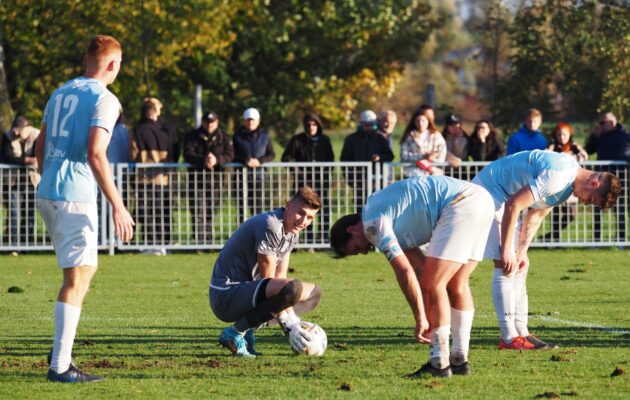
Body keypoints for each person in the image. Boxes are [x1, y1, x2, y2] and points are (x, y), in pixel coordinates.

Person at [35, 35, 135, 383]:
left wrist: (47, 176)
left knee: (84, 270)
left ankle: (60, 348)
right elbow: (95, 153)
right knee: (76, 278)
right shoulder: (105, 99)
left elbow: (40, 144)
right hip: (74, 195)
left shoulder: (59, 92)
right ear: (113, 64)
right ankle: (60, 365)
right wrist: (118, 206)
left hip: (48, 191)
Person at [330, 176, 495, 378]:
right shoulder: (389, 215)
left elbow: (404, 272)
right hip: (482, 200)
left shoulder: (372, 225)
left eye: (356, 248)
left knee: (435, 284)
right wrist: (426, 313)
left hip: (460, 203)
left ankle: (439, 364)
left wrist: (420, 319)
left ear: (353, 229)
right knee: (456, 284)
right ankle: (459, 361)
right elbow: (418, 269)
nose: (364, 252)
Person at [472, 150, 621, 350]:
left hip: (504, 199)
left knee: (521, 264)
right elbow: (513, 205)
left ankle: (522, 332)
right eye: (591, 199)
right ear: (594, 184)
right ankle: (508, 338)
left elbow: (536, 215)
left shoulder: (568, 186)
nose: (585, 203)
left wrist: (522, 251)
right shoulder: (558, 177)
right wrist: (506, 249)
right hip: (487, 193)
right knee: (505, 264)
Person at [210, 187, 323, 357]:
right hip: (226, 296)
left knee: (314, 293)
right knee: (293, 289)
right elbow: (269, 279)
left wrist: (292, 320)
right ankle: (234, 333)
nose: (304, 221)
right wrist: (290, 325)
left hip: (248, 292)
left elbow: (280, 277)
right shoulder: (271, 225)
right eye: (301, 212)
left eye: (310, 217)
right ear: (289, 206)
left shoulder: (292, 231)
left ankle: (248, 329)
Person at [133, 97, 179, 251]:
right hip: (163, 178)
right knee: (164, 211)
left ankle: (149, 243)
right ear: (156, 110)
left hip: (143, 178)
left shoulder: (138, 129)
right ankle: (165, 244)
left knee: (147, 212)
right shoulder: (167, 129)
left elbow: (133, 153)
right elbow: (175, 150)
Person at [281, 113, 334, 243]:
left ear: (318, 125)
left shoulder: (324, 140)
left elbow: (331, 160)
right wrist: (299, 172)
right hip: (303, 184)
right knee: (304, 211)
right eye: (309, 125)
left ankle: (322, 239)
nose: (311, 127)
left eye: (314, 124)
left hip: (321, 183)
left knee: (323, 209)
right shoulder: (297, 140)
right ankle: (307, 240)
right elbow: (286, 158)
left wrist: (325, 174)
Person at [183, 110, 234, 244]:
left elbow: (230, 154)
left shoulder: (224, 137)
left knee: (211, 212)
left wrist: (217, 160)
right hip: (197, 181)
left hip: (216, 181)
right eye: (207, 122)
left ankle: (209, 241)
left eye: (212, 122)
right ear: (202, 122)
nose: (209, 125)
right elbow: (188, 154)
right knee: (198, 211)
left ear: (217, 122)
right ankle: (200, 242)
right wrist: (203, 160)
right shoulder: (193, 136)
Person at [584, 111, 630, 241]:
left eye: (602, 122)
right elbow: (588, 150)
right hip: (600, 178)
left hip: (619, 177)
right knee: (597, 209)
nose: (600, 125)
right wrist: (594, 136)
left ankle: (621, 239)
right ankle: (596, 240)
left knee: (619, 209)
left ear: (612, 122)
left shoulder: (625, 136)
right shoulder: (600, 136)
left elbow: (625, 155)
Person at [340, 110, 394, 212]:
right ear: (361, 124)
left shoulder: (380, 138)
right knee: (361, 210)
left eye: (371, 124)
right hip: (359, 181)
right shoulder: (351, 139)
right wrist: (350, 179)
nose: (368, 127)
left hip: (378, 181)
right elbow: (345, 160)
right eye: (366, 125)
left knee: (378, 209)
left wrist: (379, 157)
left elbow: (389, 155)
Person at [545, 123, 588, 241]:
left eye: (564, 134)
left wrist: (569, 156)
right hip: (555, 185)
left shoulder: (574, 146)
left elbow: (584, 157)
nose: (561, 137)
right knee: (555, 215)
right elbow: (545, 157)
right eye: (559, 134)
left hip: (570, 185)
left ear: (569, 135)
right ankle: (554, 240)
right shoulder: (552, 146)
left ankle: (550, 236)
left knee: (571, 214)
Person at [1, 116, 40, 245]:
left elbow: (38, 156)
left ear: (28, 127)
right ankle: (13, 244)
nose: (16, 132)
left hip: (31, 181)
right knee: (13, 212)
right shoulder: (7, 136)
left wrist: (29, 159)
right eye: (15, 128)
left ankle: (27, 243)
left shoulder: (37, 135)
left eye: (20, 129)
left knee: (29, 213)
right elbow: (7, 157)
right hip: (12, 182)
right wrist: (26, 160)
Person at [233, 107, 275, 222]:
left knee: (257, 208)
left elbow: (271, 154)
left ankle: (257, 232)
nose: (250, 122)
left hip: (259, 177)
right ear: (244, 121)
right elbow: (233, 154)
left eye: (253, 120)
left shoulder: (265, 136)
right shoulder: (237, 136)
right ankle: (242, 234)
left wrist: (259, 161)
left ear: (258, 121)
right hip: (241, 178)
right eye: (248, 120)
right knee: (242, 208)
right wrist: (245, 161)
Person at [399, 107, 446, 178]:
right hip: (413, 175)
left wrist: (432, 157)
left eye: (423, 121)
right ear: (414, 122)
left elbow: (442, 154)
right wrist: (421, 157)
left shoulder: (436, 135)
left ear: (428, 121)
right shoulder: (409, 137)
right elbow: (404, 156)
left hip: (433, 174)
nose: (420, 123)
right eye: (418, 121)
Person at [443, 114, 471, 178]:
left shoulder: (466, 139)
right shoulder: (441, 139)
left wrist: (457, 139)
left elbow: (461, 154)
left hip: (462, 172)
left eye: (456, 124)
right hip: (445, 171)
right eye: (451, 125)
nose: (454, 127)